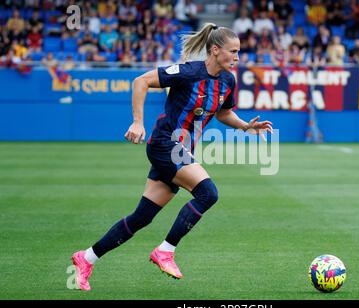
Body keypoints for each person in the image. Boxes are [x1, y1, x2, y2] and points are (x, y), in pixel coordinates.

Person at [71, 23, 273, 291]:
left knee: (142, 217)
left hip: (181, 150)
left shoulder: (227, 80)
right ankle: (165, 251)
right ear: (215, 50)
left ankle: (86, 258)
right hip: (166, 144)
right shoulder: (189, 72)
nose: (237, 57)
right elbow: (141, 81)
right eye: (233, 51)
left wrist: (246, 126)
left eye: (239, 52)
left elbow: (223, 113)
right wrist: (138, 122)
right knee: (208, 193)